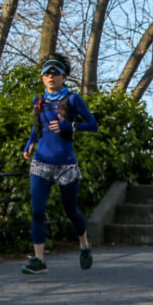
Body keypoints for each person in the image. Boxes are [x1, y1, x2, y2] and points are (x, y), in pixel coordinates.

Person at [22, 55, 99, 275]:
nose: (50, 77)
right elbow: (36, 128)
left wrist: (70, 125)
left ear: (63, 76)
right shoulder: (39, 101)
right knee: (37, 212)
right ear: (42, 77)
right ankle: (39, 260)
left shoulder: (72, 99)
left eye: (55, 74)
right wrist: (29, 145)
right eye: (46, 74)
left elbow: (93, 125)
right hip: (41, 163)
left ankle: (83, 244)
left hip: (66, 164)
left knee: (71, 210)